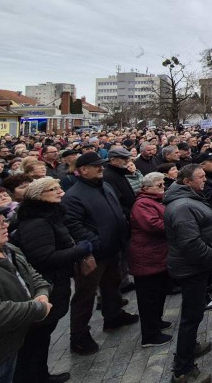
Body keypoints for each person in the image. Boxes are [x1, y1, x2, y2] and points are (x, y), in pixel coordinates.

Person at [11, 178, 92, 383]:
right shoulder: (37, 222)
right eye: (53, 189)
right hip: (47, 285)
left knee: (43, 335)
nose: (61, 192)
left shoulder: (49, 216)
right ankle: (33, 377)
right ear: (38, 196)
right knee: (36, 338)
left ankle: (40, 374)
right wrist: (79, 250)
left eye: (59, 188)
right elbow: (43, 257)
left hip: (55, 282)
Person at [62, 151, 136, 355]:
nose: (101, 168)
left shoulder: (105, 186)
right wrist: (97, 242)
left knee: (112, 284)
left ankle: (113, 316)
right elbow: (73, 225)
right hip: (93, 254)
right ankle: (79, 336)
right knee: (85, 295)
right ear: (83, 170)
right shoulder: (73, 196)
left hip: (113, 247)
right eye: (96, 166)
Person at [0, 205, 53, 383]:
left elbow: (34, 276)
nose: (5, 226)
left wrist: (42, 294)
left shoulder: (8, 249)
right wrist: (37, 308)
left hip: (7, 347)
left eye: (4, 221)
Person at [163, 164, 212, 383]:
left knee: (194, 313)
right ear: (187, 182)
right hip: (192, 268)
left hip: (195, 267)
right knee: (191, 315)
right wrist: (210, 256)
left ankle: (190, 347)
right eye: (201, 177)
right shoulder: (182, 207)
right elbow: (189, 242)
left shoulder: (189, 198)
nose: (205, 180)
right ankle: (183, 369)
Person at [129, 172, 172, 348]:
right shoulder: (142, 204)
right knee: (149, 298)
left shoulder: (155, 201)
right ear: (146, 188)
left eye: (163, 184)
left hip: (158, 256)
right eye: (159, 185)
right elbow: (154, 225)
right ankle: (150, 334)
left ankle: (156, 322)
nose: (163, 187)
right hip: (147, 258)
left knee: (159, 293)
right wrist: (175, 222)